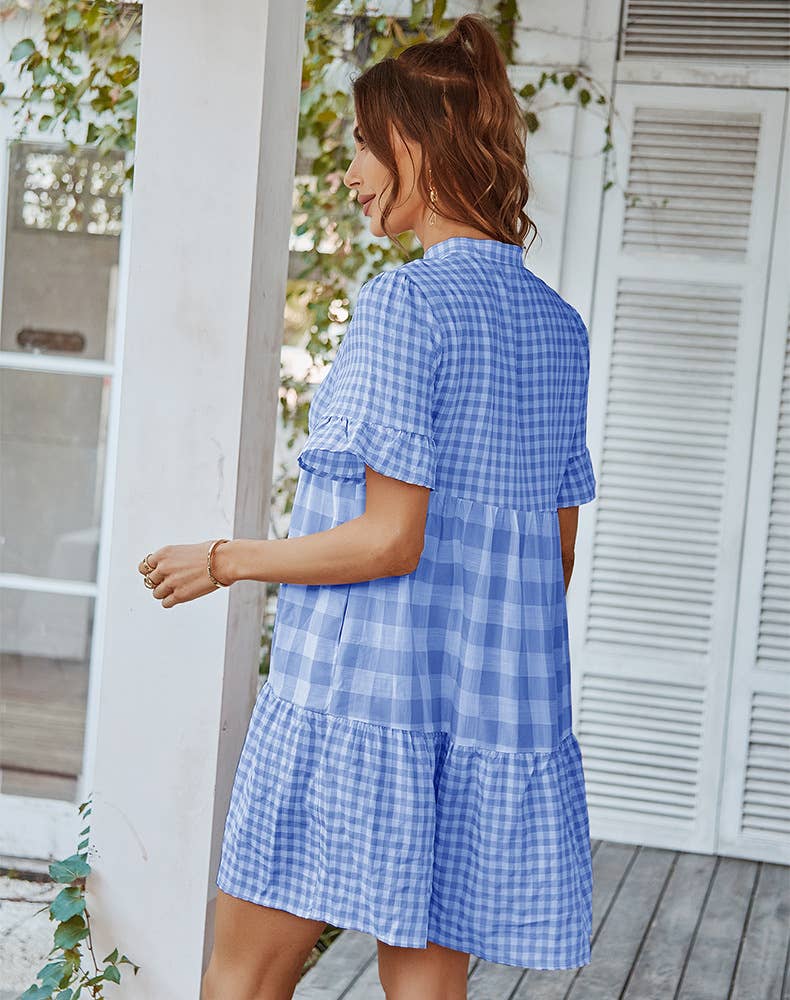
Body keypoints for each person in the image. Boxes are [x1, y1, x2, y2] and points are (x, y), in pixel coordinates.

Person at [139, 12, 596, 1000]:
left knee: (242, 978)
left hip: (357, 708)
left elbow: (391, 539)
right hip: (478, 725)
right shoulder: (559, 329)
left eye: (360, 143)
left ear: (419, 146)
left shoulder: (406, 306)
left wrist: (222, 560)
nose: (349, 173)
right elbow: (553, 560)